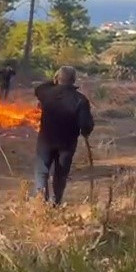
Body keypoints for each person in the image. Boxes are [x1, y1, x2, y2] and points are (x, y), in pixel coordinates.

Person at [33, 66, 94, 206]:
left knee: (42, 171)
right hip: (67, 143)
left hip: (46, 140)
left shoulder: (46, 93)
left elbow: (39, 88)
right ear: (73, 80)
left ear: (57, 78)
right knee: (60, 175)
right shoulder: (80, 100)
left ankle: (40, 203)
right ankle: (56, 203)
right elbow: (85, 125)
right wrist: (86, 132)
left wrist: (54, 80)